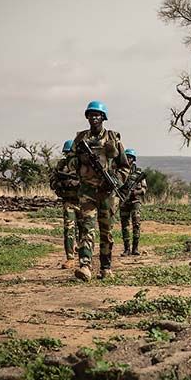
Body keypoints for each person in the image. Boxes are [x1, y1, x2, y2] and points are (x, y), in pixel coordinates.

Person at [72, 100, 129, 280]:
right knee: (87, 228)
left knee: (106, 232)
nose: (94, 118)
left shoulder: (113, 139)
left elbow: (125, 167)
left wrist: (114, 182)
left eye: (97, 115)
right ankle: (85, 265)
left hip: (107, 193)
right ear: (87, 117)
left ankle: (105, 267)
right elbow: (70, 163)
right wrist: (83, 160)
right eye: (91, 114)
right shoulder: (80, 139)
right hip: (87, 191)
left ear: (103, 117)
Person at [49, 139, 80, 269]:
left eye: (71, 152)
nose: (69, 155)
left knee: (85, 230)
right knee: (69, 229)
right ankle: (70, 258)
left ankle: (85, 258)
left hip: (84, 202)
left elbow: (91, 181)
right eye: (67, 153)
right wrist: (61, 184)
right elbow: (52, 182)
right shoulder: (61, 166)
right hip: (69, 202)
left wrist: (76, 183)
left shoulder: (83, 164)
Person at [119, 148, 147, 256]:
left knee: (136, 224)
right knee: (124, 225)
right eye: (127, 157)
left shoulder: (138, 172)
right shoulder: (120, 171)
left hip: (135, 201)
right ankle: (127, 249)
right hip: (123, 201)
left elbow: (144, 189)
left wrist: (136, 192)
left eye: (130, 157)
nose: (128, 159)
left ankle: (135, 248)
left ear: (133, 159)